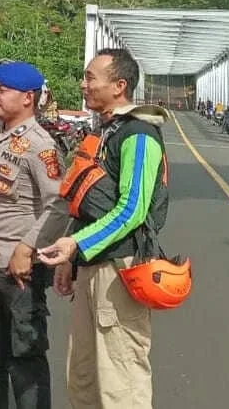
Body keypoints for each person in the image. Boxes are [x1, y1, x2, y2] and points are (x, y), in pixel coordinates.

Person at [39, 48, 169, 408]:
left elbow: (132, 210)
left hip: (119, 270)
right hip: (93, 266)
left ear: (119, 86)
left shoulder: (139, 135)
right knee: (84, 375)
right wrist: (73, 260)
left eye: (90, 77)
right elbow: (89, 202)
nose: (83, 85)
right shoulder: (108, 132)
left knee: (120, 380)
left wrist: (74, 245)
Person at [0, 61, 70, 409]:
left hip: (19, 269)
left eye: (3, 90)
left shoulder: (38, 145)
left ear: (27, 98)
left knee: (24, 355)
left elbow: (58, 205)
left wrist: (27, 248)